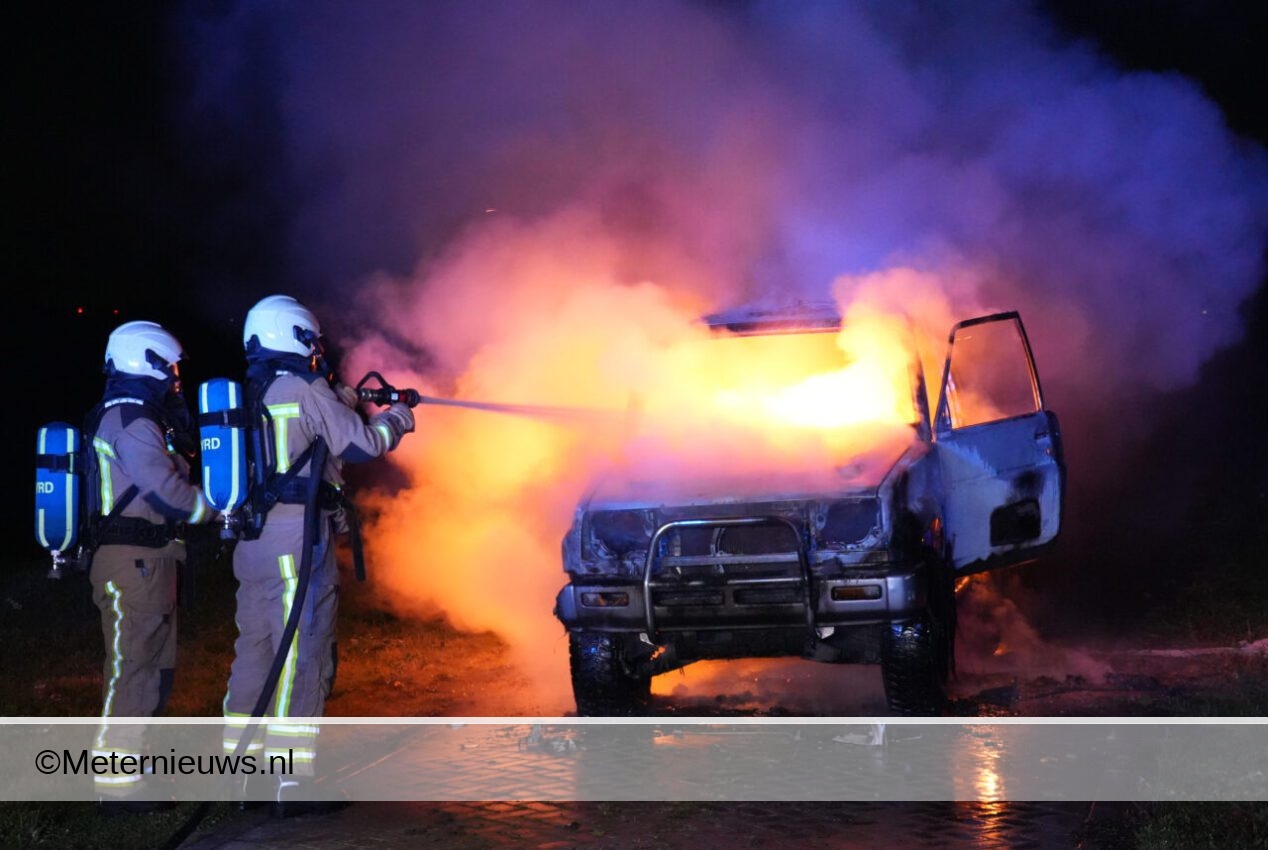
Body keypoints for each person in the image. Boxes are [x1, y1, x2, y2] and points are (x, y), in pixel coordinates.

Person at [222, 294, 414, 817]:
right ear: (296, 336)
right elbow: (362, 445)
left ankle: (245, 779)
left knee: (256, 655)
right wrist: (397, 416)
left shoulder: (253, 391)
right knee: (303, 654)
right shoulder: (305, 388)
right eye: (312, 342)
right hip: (296, 541)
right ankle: (290, 782)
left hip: (252, 542)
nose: (317, 351)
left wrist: (351, 395)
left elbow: (315, 422)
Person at [87, 320, 218, 816]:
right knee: (132, 671)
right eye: (171, 367)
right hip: (131, 563)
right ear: (148, 361)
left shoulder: (140, 416)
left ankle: (134, 775)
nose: (176, 378)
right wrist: (217, 509)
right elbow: (164, 490)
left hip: (153, 561)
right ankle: (114, 789)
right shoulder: (129, 419)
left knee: (154, 674)